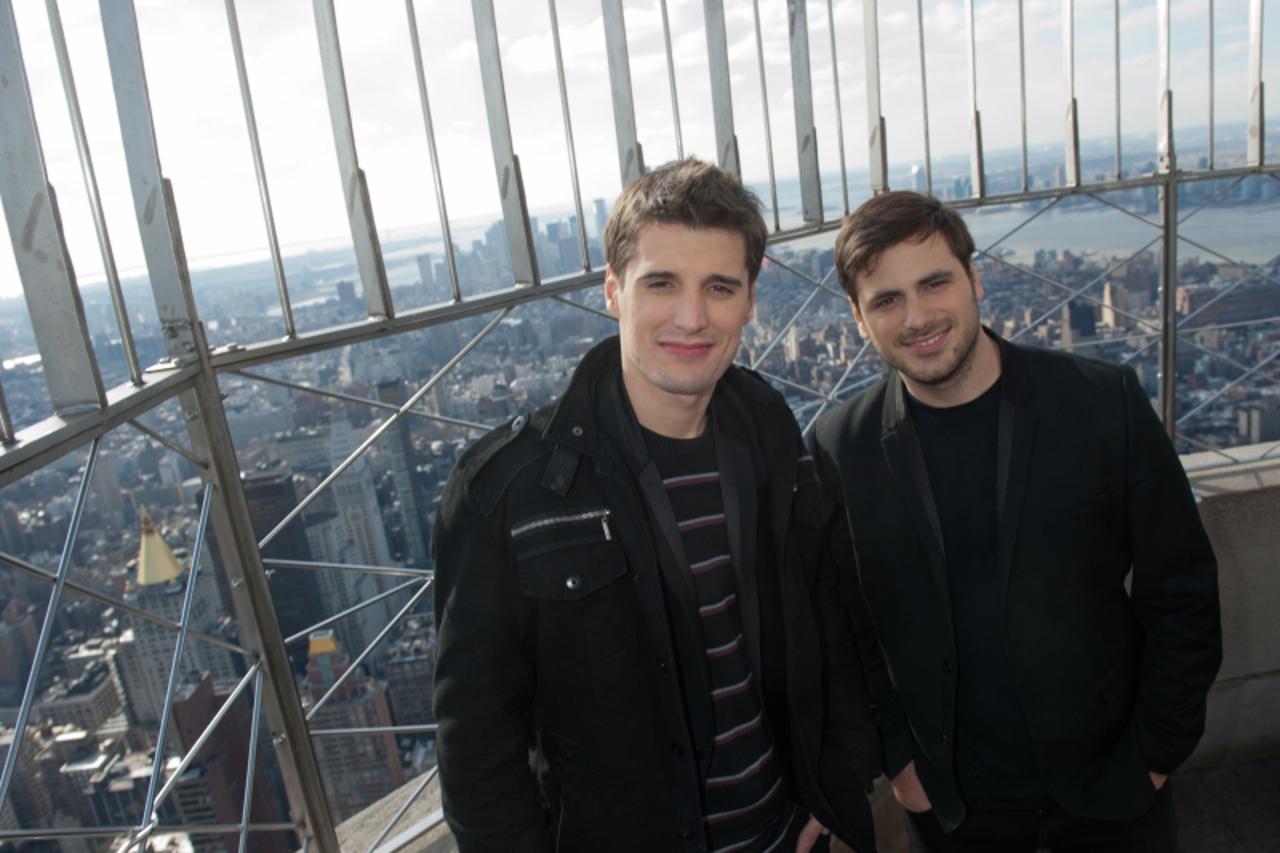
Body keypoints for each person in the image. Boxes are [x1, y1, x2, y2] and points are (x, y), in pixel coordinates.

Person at [432, 159, 878, 853]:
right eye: (661, 283)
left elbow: (825, 613)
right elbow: (477, 756)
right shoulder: (510, 491)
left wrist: (835, 784)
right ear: (614, 290)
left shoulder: (768, 429)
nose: (692, 317)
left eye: (720, 287)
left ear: (751, 301)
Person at [810, 190, 1221, 852]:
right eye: (886, 300)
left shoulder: (1099, 402)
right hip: (954, 813)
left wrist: (1154, 754)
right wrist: (902, 765)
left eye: (934, 282)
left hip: (1112, 790)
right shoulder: (837, 446)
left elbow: (1183, 593)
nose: (917, 317)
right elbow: (848, 628)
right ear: (859, 319)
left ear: (974, 279)